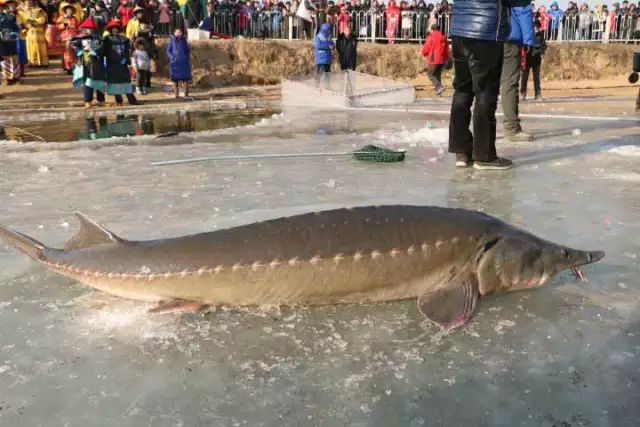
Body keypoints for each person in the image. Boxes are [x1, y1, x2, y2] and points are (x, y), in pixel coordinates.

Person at [447, 0, 532, 170]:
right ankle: (485, 156)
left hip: (460, 29)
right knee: (485, 92)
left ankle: (461, 151)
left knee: (462, 90)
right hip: (486, 31)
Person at [499, 3, 535, 142]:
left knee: (486, 83)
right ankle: (511, 128)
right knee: (509, 83)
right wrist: (529, 40)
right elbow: (522, 11)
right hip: (510, 38)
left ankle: (483, 131)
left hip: (487, 37)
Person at [71, 16, 107, 108]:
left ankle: (101, 100)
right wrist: (81, 51)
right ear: (84, 28)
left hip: (97, 62)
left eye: (91, 28)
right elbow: (74, 45)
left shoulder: (99, 39)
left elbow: (103, 48)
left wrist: (94, 52)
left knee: (99, 82)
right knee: (88, 82)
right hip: (86, 63)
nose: (90, 30)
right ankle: (88, 100)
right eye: (88, 28)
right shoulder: (80, 38)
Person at [103, 18, 137, 105]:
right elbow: (103, 51)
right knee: (114, 82)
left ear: (119, 29)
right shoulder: (106, 39)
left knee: (126, 81)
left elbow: (128, 50)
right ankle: (119, 100)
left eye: (116, 28)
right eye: (113, 28)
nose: (115, 30)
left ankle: (132, 100)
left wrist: (127, 59)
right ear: (110, 30)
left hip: (122, 64)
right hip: (112, 64)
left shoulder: (124, 39)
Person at [520, 20, 547, 101]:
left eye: (537, 27)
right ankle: (523, 94)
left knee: (536, 77)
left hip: (536, 59)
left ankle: (538, 94)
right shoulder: (527, 35)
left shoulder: (541, 35)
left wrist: (541, 52)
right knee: (524, 77)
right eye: (534, 27)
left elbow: (544, 46)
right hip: (527, 59)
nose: (535, 29)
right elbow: (523, 46)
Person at [421, 23, 448, 96]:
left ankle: (439, 87)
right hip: (442, 58)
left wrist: (424, 53)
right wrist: (446, 58)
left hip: (433, 58)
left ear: (432, 29)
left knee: (430, 74)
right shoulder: (443, 37)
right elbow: (446, 49)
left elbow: (427, 47)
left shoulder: (431, 36)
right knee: (437, 74)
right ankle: (439, 91)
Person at [20, 0, 49, 67]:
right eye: (27, 1)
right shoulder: (21, 11)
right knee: (31, 47)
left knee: (42, 47)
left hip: (39, 32)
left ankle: (43, 62)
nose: (29, 2)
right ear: (24, 2)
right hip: (29, 32)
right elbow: (20, 22)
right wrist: (26, 26)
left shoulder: (39, 10)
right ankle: (33, 63)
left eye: (31, 1)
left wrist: (34, 22)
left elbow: (43, 19)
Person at [166, 26, 192, 99]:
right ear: (174, 33)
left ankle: (186, 94)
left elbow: (188, 50)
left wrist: (186, 57)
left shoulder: (184, 40)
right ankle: (176, 95)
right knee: (175, 79)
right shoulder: (171, 41)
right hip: (175, 63)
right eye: (177, 32)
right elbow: (168, 51)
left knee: (186, 79)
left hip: (184, 62)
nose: (178, 33)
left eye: (180, 32)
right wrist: (172, 58)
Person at [0, 0, 20, 85]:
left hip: (11, 39)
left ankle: (15, 76)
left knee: (14, 58)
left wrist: (15, 34)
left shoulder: (10, 16)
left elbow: (16, 26)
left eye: (1, 7)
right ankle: (8, 78)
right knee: (5, 59)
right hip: (1, 41)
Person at [57, 3, 79, 74]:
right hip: (65, 37)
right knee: (66, 53)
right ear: (65, 11)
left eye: (71, 10)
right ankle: (67, 67)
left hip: (74, 37)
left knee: (73, 52)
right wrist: (64, 25)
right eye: (68, 9)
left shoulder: (75, 18)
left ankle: (73, 66)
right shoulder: (61, 18)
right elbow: (57, 26)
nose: (69, 11)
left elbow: (77, 28)